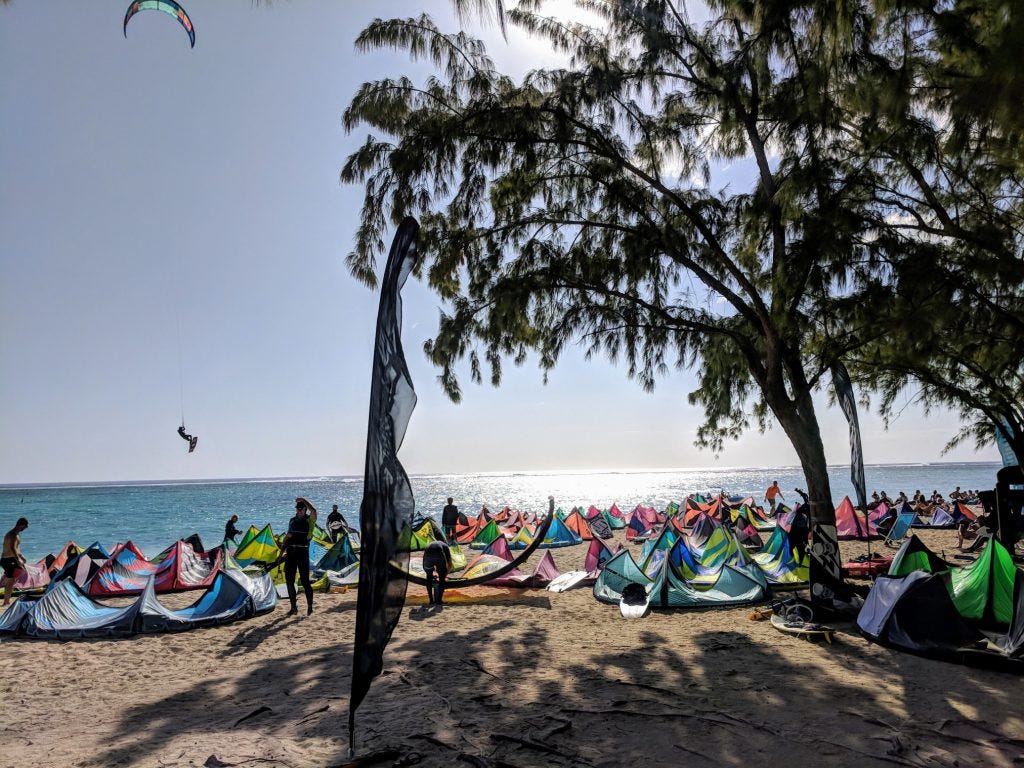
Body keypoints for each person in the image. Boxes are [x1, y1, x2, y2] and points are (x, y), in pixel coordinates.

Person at [284, 498, 316, 616]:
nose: (299, 510)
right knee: (289, 580)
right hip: (290, 552)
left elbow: (314, 510)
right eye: (297, 508)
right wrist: (282, 549)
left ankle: (310, 607)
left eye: (301, 508)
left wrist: (303, 499)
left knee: (305, 581)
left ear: (305, 509)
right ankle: (294, 608)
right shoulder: (292, 520)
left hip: (302, 552)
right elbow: (288, 536)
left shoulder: (309, 520)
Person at [2, 517, 29, 607]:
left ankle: (7, 600)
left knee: (12, 579)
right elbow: (12, 548)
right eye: (24, 527)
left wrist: (21, 556)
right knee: (12, 579)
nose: (24, 529)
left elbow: (16, 548)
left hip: (8, 559)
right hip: (9, 559)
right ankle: (6, 601)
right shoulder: (13, 534)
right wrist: (18, 559)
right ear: (21, 525)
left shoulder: (14, 534)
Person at [422, 539, 453, 605]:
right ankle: (439, 601)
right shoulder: (445, 546)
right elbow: (450, 564)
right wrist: (444, 574)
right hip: (439, 555)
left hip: (428, 556)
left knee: (429, 578)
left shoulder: (429, 545)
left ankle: (431, 600)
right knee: (442, 579)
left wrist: (429, 573)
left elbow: (424, 562)